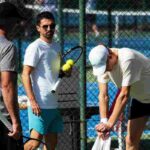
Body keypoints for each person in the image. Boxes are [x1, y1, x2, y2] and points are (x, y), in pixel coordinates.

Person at [89, 44, 150, 150]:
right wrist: (104, 122)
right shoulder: (103, 64)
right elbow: (103, 95)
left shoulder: (127, 58)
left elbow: (124, 95)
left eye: (105, 67)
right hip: (141, 100)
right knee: (131, 141)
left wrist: (110, 124)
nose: (104, 70)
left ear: (110, 56)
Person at [22, 11, 64, 150]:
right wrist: (33, 101)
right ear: (38, 28)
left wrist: (65, 71)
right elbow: (25, 74)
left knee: (51, 145)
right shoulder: (35, 47)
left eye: (52, 26)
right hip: (39, 106)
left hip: (53, 104)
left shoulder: (57, 46)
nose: (49, 29)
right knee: (34, 143)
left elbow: (58, 71)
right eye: (45, 26)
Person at [0, 1, 25, 150]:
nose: (16, 25)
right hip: (3, 120)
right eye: (15, 21)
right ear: (6, 21)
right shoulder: (8, 47)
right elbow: (7, 85)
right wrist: (15, 122)